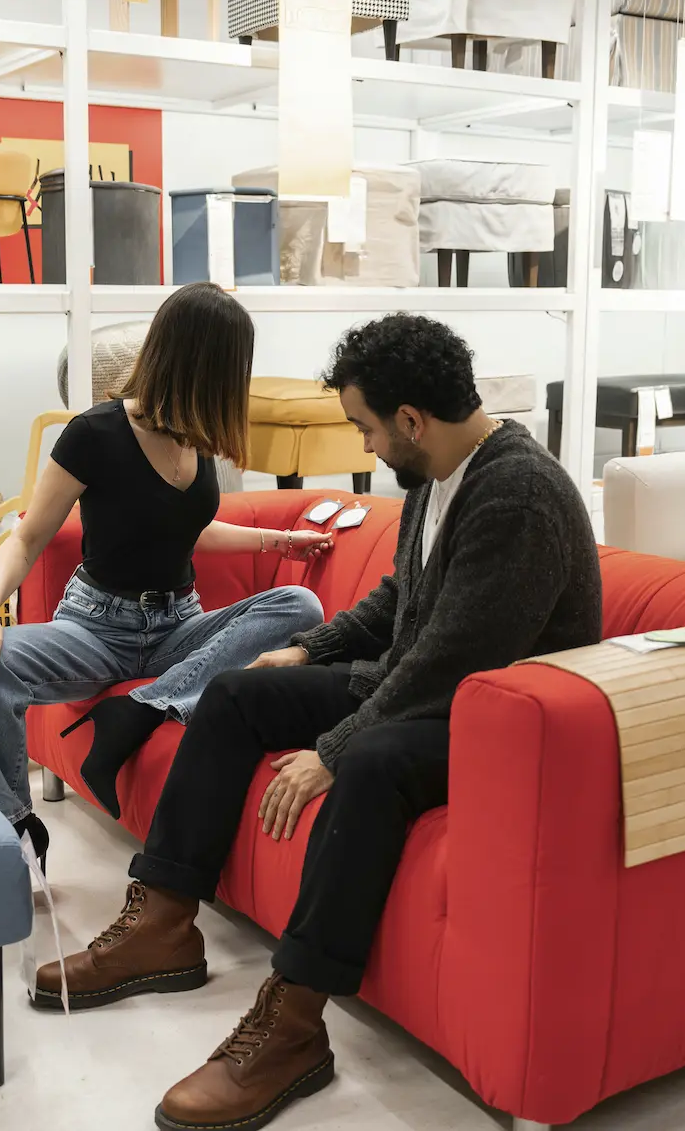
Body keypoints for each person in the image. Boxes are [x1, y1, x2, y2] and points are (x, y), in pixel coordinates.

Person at [33, 312, 603, 1129]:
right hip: (423, 686)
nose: (365, 445)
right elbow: (402, 601)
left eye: (365, 427)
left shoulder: (516, 494)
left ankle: (293, 1025)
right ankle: (161, 926)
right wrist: (308, 649)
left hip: (499, 720)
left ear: (411, 419)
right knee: (237, 694)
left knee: (369, 763)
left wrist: (332, 748)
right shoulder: (438, 473)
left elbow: (456, 658)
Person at [0, 283, 331, 865]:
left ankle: (146, 707)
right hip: (96, 629)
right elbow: (26, 537)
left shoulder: (198, 439)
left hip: (179, 628)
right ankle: (11, 834)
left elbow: (187, 529)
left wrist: (279, 540)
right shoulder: (95, 433)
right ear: (201, 363)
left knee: (300, 606)